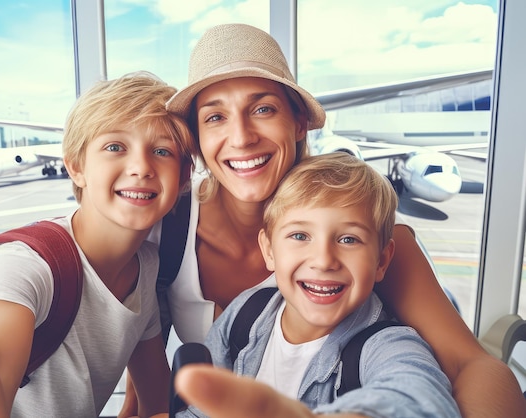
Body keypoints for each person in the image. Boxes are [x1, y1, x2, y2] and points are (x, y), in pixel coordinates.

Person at [122, 23, 526, 417]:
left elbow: (469, 367)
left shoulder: (384, 244)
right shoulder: (166, 230)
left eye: (263, 108)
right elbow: (152, 388)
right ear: (197, 137)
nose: (242, 137)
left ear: (298, 122)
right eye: (215, 117)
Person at [0, 72, 194, 418]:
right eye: (115, 147)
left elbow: (154, 400)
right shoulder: (25, 265)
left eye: (162, 151)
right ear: (76, 167)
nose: (141, 167)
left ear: (184, 176)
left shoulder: (145, 266)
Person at [176, 152, 460, 417]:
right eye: (300, 236)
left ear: (381, 262)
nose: (324, 261)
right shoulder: (244, 313)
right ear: (269, 251)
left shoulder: (386, 345)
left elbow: (418, 393)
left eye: (349, 239)